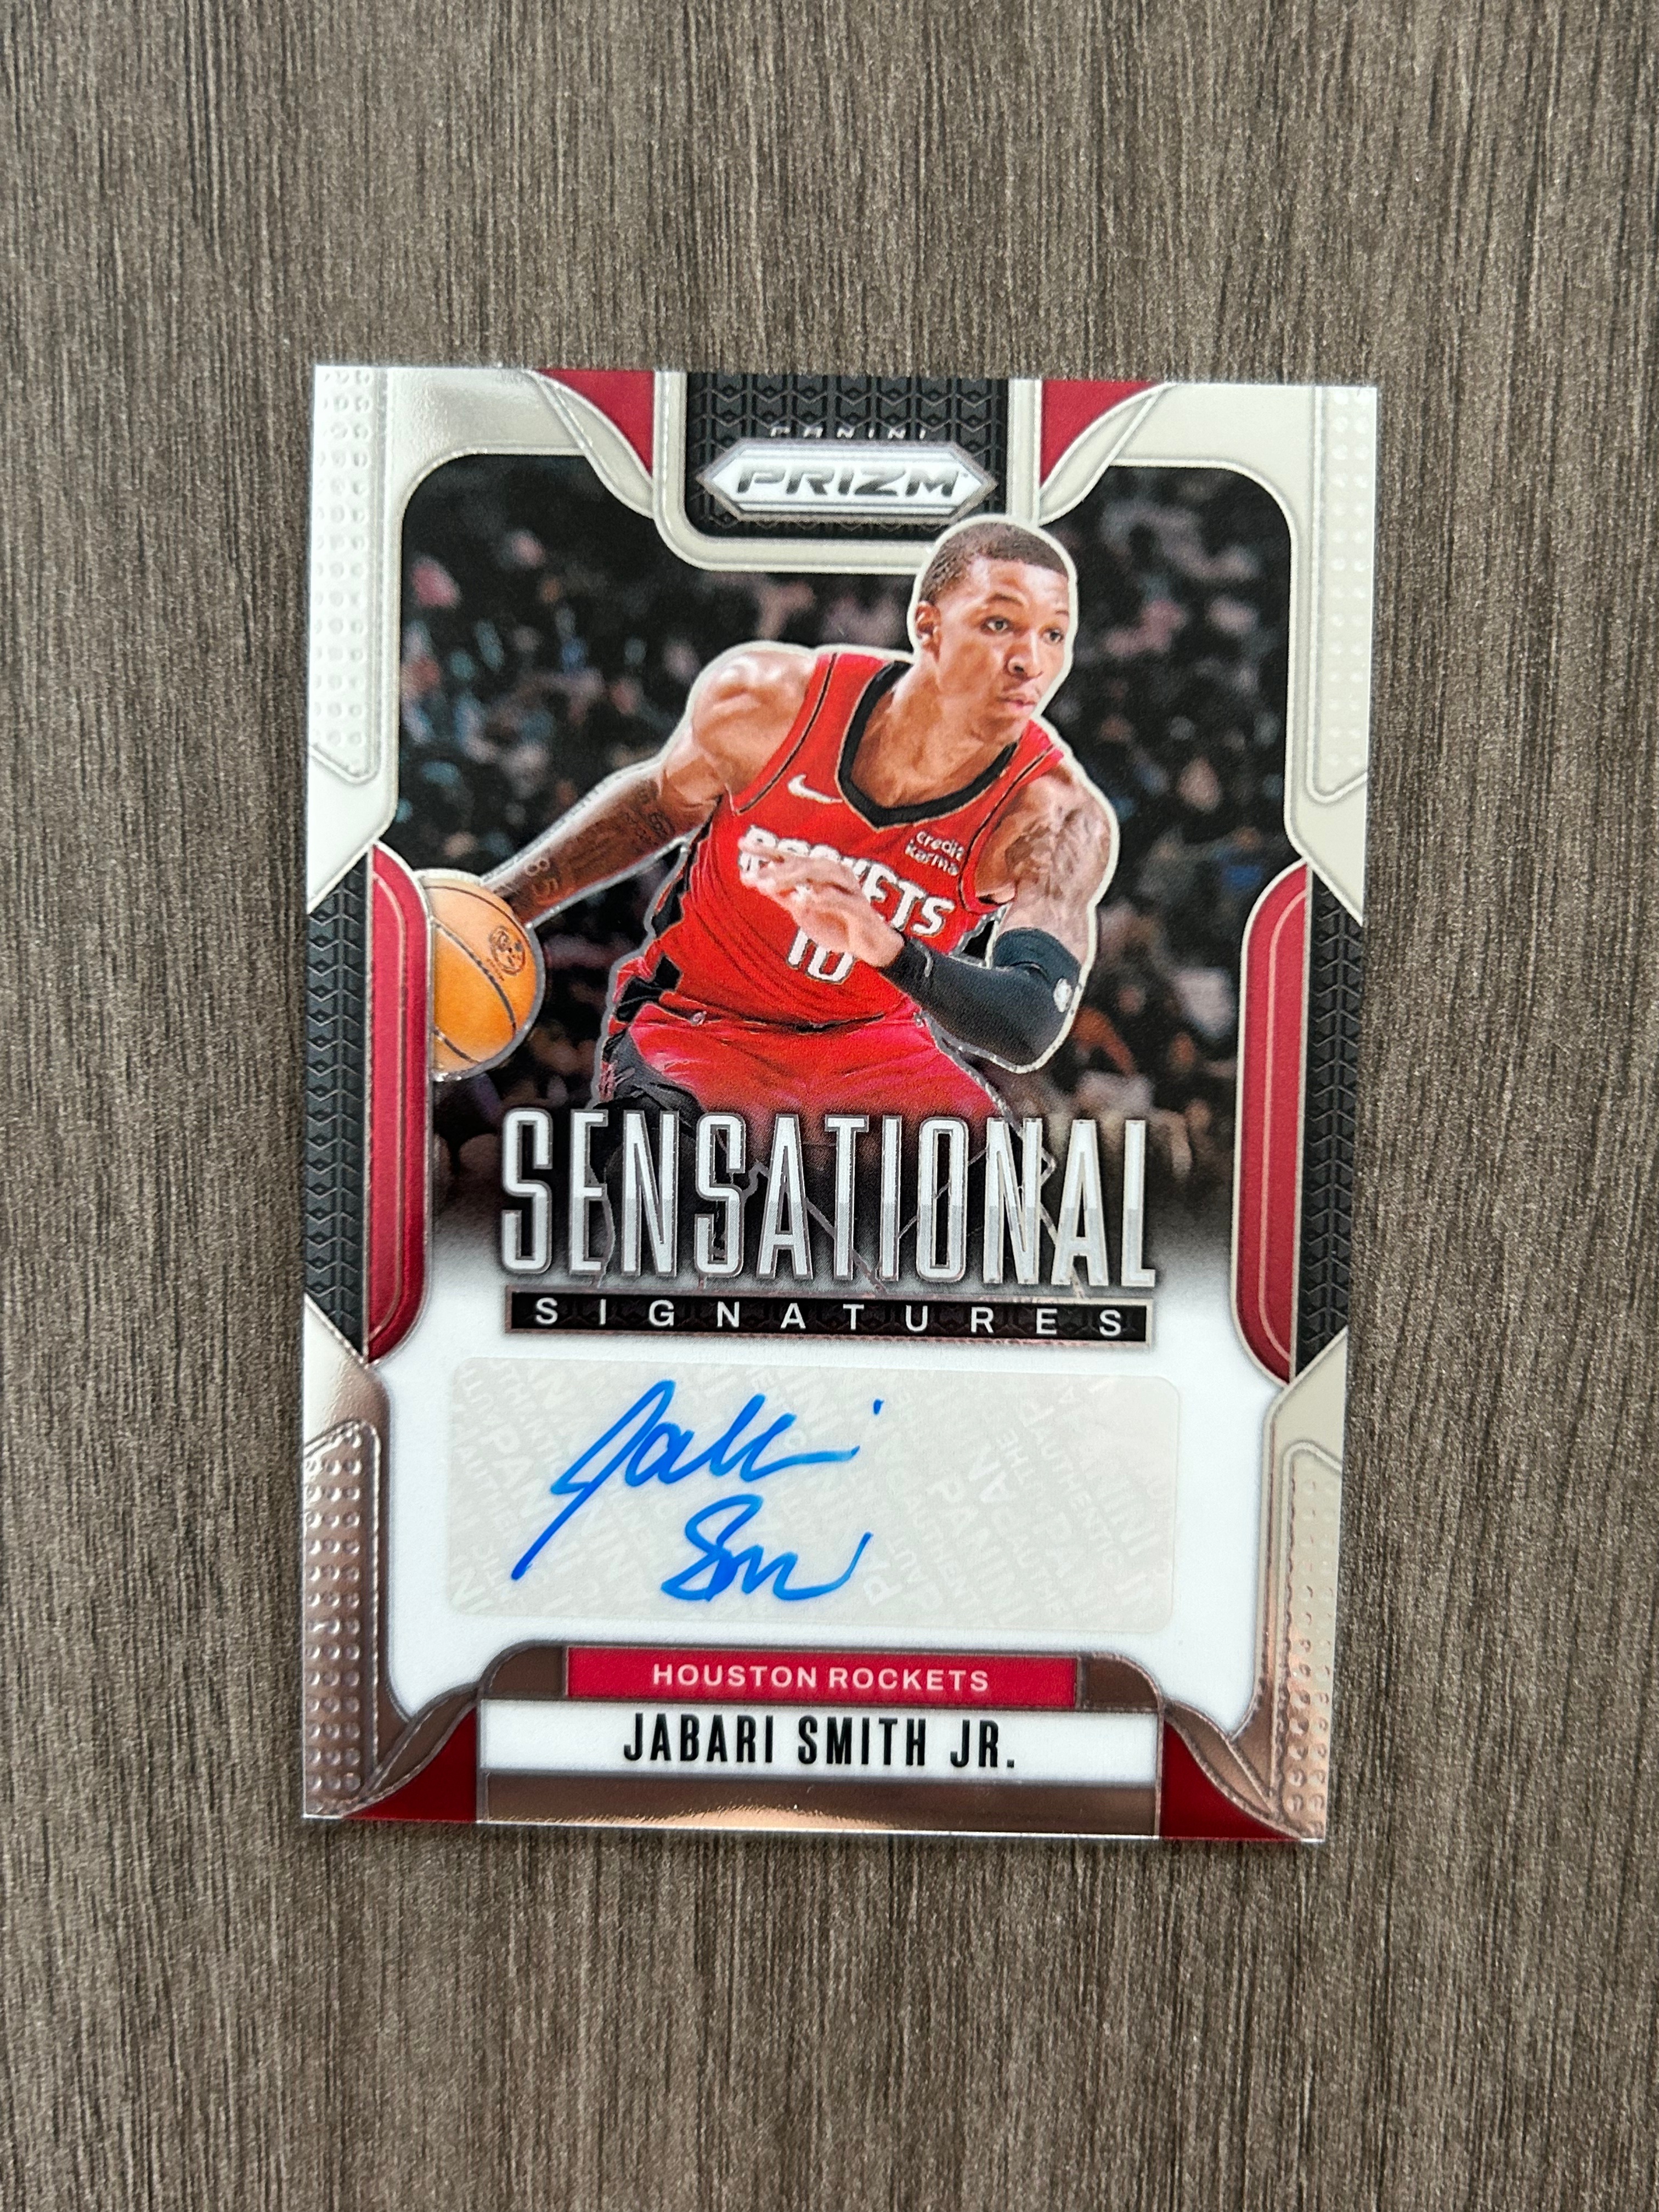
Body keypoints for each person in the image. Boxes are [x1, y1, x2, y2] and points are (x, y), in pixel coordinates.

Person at [483, 518, 1118, 1128]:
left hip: (872, 1048)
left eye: (1054, 635)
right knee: (670, 1175)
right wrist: (502, 904)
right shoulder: (769, 701)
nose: (1031, 662)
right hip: (700, 1021)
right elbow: (654, 809)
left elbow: (1030, 1024)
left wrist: (885, 946)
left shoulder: (1056, 817)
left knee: (991, 1188)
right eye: (1000, 624)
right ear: (928, 626)